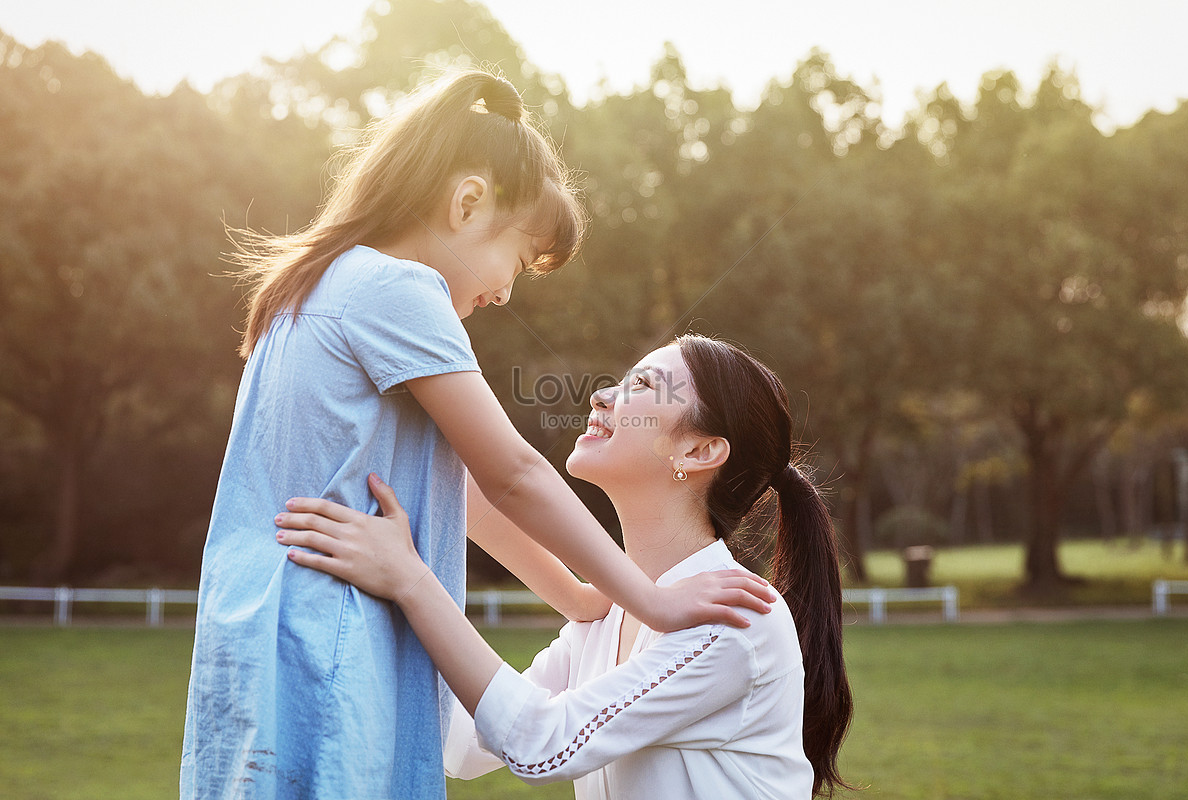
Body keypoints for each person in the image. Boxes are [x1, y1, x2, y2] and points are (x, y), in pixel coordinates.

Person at [180, 71, 774, 800]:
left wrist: (580, 596)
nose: (505, 294)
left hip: (260, 637)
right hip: (327, 637)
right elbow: (512, 475)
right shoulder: (398, 290)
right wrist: (649, 603)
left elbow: (460, 486)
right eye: (519, 262)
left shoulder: (316, 287)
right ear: (466, 204)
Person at [276, 334, 856, 799]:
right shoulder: (602, 617)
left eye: (643, 386)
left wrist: (409, 580)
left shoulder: (736, 618)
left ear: (698, 452)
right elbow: (464, 747)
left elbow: (541, 744)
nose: (603, 395)